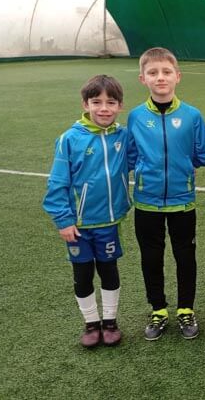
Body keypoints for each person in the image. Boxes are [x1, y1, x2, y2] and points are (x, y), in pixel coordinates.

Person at [126, 47, 205, 340]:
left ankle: (186, 309)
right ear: (143, 79)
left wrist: (188, 168)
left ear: (178, 76)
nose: (160, 77)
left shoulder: (192, 115)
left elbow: (202, 153)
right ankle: (158, 310)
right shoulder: (136, 117)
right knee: (151, 258)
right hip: (146, 202)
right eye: (153, 73)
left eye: (166, 72)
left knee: (185, 257)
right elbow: (129, 156)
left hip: (182, 202)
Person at [43, 75, 130, 347]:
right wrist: (64, 220)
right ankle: (91, 323)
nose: (104, 108)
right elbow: (57, 183)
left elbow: (141, 160)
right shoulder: (69, 139)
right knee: (82, 275)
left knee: (109, 270)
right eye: (97, 102)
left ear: (120, 106)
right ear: (85, 104)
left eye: (111, 102)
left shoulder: (123, 136)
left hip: (109, 221)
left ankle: (110, 321)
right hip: (79, 226)